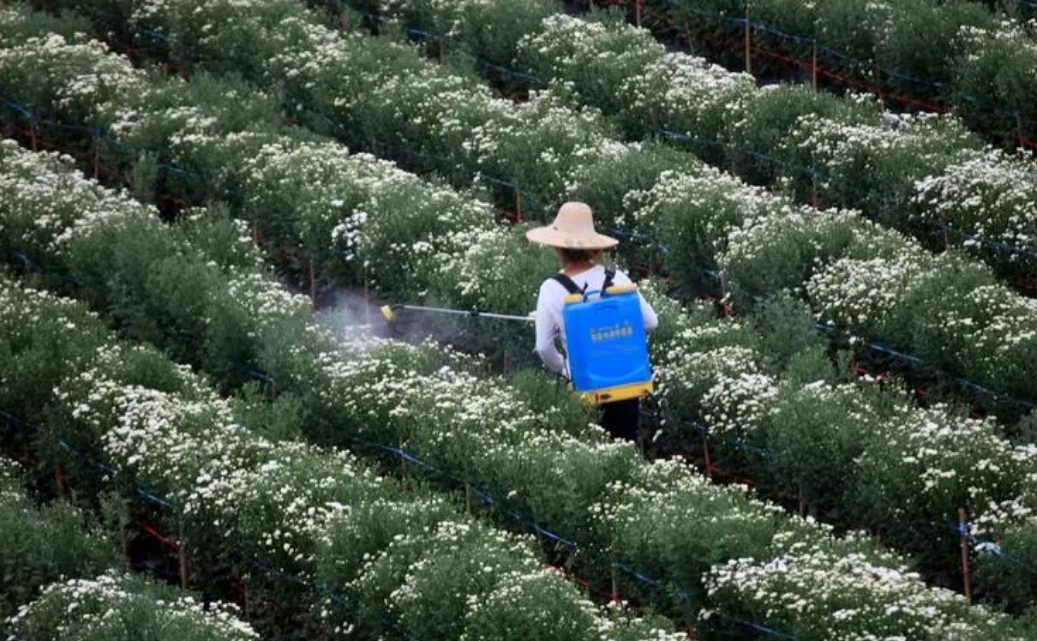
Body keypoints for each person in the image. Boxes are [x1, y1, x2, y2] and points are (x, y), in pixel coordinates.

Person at [525, 201, 659, 443]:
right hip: (627, 383)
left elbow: (544, 347)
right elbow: (651, 322)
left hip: (586, 387)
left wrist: (565, 368)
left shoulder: (552, 288)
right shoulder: (616, 277)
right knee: (624, 449)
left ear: (558, 247)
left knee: (593, 449)